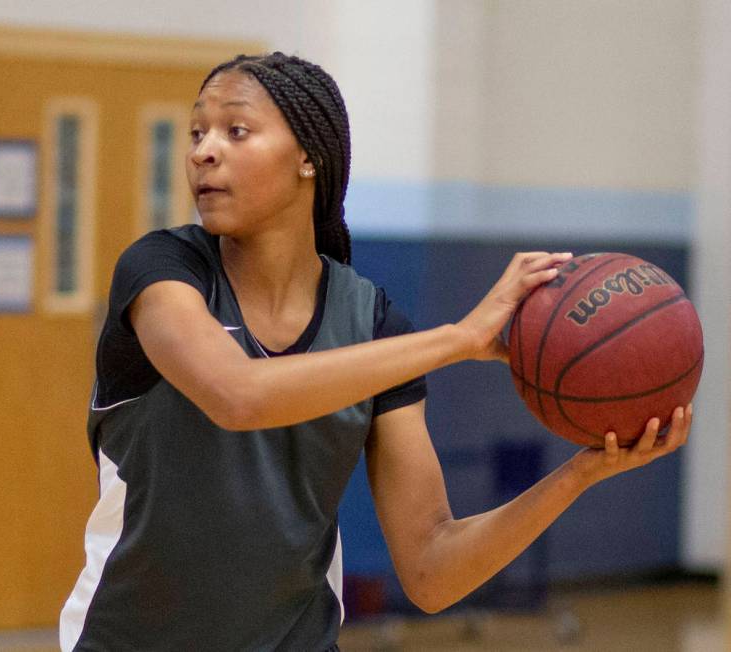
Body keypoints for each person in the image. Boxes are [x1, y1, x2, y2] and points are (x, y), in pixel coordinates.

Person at [60, 52, 692, 652]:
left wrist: (580, 473)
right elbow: (238, 393)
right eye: (198, 132)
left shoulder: (372, 323)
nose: (203, 151)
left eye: (236, 130)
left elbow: (432, 572)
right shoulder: (162, 270)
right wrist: (459, 339)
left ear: (309, 157)